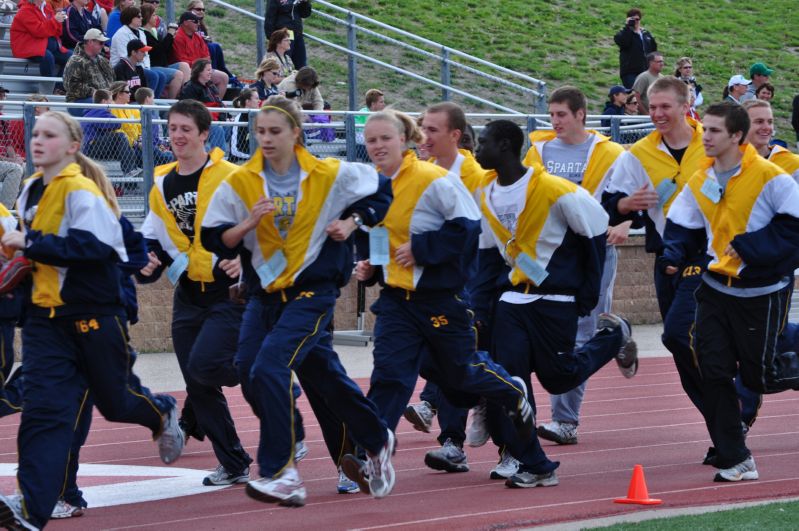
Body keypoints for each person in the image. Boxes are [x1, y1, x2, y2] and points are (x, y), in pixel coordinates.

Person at [200, 96, 396, 506]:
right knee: (286, 374)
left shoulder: (329, 173)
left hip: (313, 292)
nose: (266, 139)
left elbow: (381, 190)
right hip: (265, 294)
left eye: (275, 131)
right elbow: (213, 237)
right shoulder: (241, 182)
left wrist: (352, 220)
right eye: (260, 132)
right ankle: (377, 438)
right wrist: (247, 224)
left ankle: (281, 470)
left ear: (295, 134)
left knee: (271, 365)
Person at [0, 111, 184, 531]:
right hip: (46, 322)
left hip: (95, 316)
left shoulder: (82, 193)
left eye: (50, 134)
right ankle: (32, 509)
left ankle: (160, 413)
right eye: (36, 133)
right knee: (43, 414)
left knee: (116, 402)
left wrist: (30, 243)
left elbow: (96, 249)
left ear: (73, 146)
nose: (38, 140)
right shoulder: (29, 191)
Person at [347, 108, 537, 489]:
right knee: (389, 376)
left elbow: (466, 231)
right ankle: (376, 454)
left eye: (386, 138)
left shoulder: (434, 180)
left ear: (405, 139)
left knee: (461, 373)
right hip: (397, 302)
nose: (379, 146)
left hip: (440, 300)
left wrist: (422, 249)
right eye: (371, 140)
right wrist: (372, 267)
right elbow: (378, 237)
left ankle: (511, 389)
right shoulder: (369, 186)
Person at [602, 77, 761, 464]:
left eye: (664, 107)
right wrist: (626, 206)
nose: (656, 114)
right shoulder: (637, 154)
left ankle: (739, 405)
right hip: (668, 260)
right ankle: (729, 423)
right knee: (683, 348)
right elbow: (607, 203)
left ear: (685, 104)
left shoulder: (710, 141)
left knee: (680, 334)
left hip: (710, 257)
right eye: (650, 107)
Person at [473, 119, 636, 488]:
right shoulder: (485, 191)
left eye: (482, 142)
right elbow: (488, 254)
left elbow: (595, 229)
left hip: (556, 300)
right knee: (512, 386)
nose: (477, 150)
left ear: (504, 145)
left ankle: (614, 335)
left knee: (558, 377)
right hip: (512, 301)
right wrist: (480, 307)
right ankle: (534, 463)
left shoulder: (553, 189)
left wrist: (587, 294)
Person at [659, 102, 799, 482]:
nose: (705, 136)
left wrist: (752, 247)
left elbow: (794, 230)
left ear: (737, 136)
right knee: (714, 371)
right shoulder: (701, 177)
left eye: (715, 131)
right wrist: (672, 252)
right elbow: (683, 223)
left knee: (759, 377)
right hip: (715, 289)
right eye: (704, 129)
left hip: (762, 292)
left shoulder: (772, 178)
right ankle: (736, 456)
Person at [136, 99, 253, 488]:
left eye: (186, 128)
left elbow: (266, 231)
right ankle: (234, 462)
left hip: (228, 292)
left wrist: (247, 263)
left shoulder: (232, 176)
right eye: (172, 128)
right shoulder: (161, 182)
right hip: (188, 292)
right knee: (197, 382)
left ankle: (265, 369)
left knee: (209, 367)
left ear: (205, 133)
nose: (178, 136)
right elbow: (152, 238)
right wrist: (147, 263)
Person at [521, 86, 631, 447]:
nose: (555, 122)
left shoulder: (611, 153)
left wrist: (625, 222)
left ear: (581, 114)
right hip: (551, 254)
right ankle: (615, 335)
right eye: (551, 115)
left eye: (561, 115)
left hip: (594, 251)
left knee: (582, 329)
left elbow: (630, 195)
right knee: (558, 331)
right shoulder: (538, 152)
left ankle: (565, 421)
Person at [401, 101, 490, 475]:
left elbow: (470, 234)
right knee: (426, 358)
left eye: (431, 130)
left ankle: (453, 440)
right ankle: (463, 396)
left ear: (456, 135)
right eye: (420, 128)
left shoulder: (474, 176)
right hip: (421, 284)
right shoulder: (421, 171)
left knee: (455, 359)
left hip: (465, 283)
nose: (422, 136)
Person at [10, 0, 73, 89]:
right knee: (48, 57)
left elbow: (55, 31)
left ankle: (58, 88)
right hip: (27, 45)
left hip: (41, 42)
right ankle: (47, 90)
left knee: (71, 57)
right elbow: (39, 31)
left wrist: (58, 21)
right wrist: (55, 20)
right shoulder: (25, 10)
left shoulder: (46, 6)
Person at [82, 88, 140, 176]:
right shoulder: (98, 111)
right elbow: (115, 124)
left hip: (96, 146)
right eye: (110, 100)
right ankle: (129, 170)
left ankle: (131, 178)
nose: (112, 103)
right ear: (104, 101)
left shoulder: (96, 111)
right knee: (120, 136)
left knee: (128, 148)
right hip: (91, 147)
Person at [171, 11, 228, 98]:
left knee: (223, 77)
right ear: (185, 22)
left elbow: (207, 58)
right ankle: (187, 102)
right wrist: (200, 64)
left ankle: (214, 106)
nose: (198, 24)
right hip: (187, 70)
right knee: (186, 67)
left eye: (199, 21)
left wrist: (201, 65)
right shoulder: (177, 36)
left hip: (200, 69)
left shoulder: (198, 37)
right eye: (195, 21)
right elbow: (181, 60)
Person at [178, 58, 228, 152]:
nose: (210, 73)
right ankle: (219, 159)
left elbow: (218, 103)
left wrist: (225, 116)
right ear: (199, 71)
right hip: (198, 123)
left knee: (230, 127)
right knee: (217, 129)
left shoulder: (210, 86)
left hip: (214, 120)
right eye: (208, 70)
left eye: (211, 70)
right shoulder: (190, 87)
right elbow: (188, 110)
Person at [62, 27, 114, 114]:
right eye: (101, 43)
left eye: (104, 43)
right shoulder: (76, 61)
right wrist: (98, 93)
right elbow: (71, 86)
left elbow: (112, 78)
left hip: (104, 99)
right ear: (90, 42)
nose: (103, 46)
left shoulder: (103, 60)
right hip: (79, 101)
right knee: (104, 106)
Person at [186, 0, 238, 85]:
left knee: (215, 46)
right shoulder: (186, 23)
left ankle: (223, 72)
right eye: (198, 9)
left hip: (202, 52)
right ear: (190, 10)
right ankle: (212, 72)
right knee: (211, 47)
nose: (201, 11)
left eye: (203, 9)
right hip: (192, 55)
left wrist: (206, 40)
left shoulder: (201, 26)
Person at [744, 100, 799, 180]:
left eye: (770, 122)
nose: (767, 127)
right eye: (759, 121)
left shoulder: (793, 164)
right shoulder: (728, 163)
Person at [141, 3, 189, 93]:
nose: (157, 17)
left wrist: (171, 38)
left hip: (163, 65)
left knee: (184, 66)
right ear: (147, 17)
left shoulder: (152, 31)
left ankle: (186, 94)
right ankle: (172, 102)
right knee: (178, 74)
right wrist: (170, 34)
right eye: (154, 15)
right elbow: (158, 51)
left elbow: (165, 51)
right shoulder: (143, 33)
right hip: (152, 66)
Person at [613, 7, 657, 89]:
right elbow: (623, 42)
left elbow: (653, 50)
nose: (635, 22)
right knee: (634, 96)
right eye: (633, 19)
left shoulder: (645, 34)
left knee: (647, 96)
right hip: (630, 72)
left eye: (637, 19)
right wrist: (627, 27)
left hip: (646, 71)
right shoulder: (623, 33)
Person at [264, 0, 311, 70]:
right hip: (283, 36)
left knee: (302, 65)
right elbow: (269, 17)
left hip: (298, 34)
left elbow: (305, 14)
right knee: (282, 64)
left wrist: (305, 2)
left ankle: (302, 80)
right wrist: (271, 37)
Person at [134, 86, 174, 165]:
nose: (153, 100)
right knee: (170, 156)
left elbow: (155, 138)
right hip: (144, 147)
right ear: (148, 98)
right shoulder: (138, 113)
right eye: (153, 97)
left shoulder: (151, 114)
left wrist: (164, 142)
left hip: (154, 146)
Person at [354, 88, 386, 161]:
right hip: (362, 147)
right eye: (381, 102)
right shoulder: (361, 114)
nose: (384, 104)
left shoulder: (381, 115)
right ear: (373, 104)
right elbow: (360, 138)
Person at [229, 87, 259, 163]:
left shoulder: (259, 117)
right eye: (256, 98)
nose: (259, 101)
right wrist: (252, 156)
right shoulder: (239, 120)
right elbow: (235, 150)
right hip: (240, 162)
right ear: (248, 102)